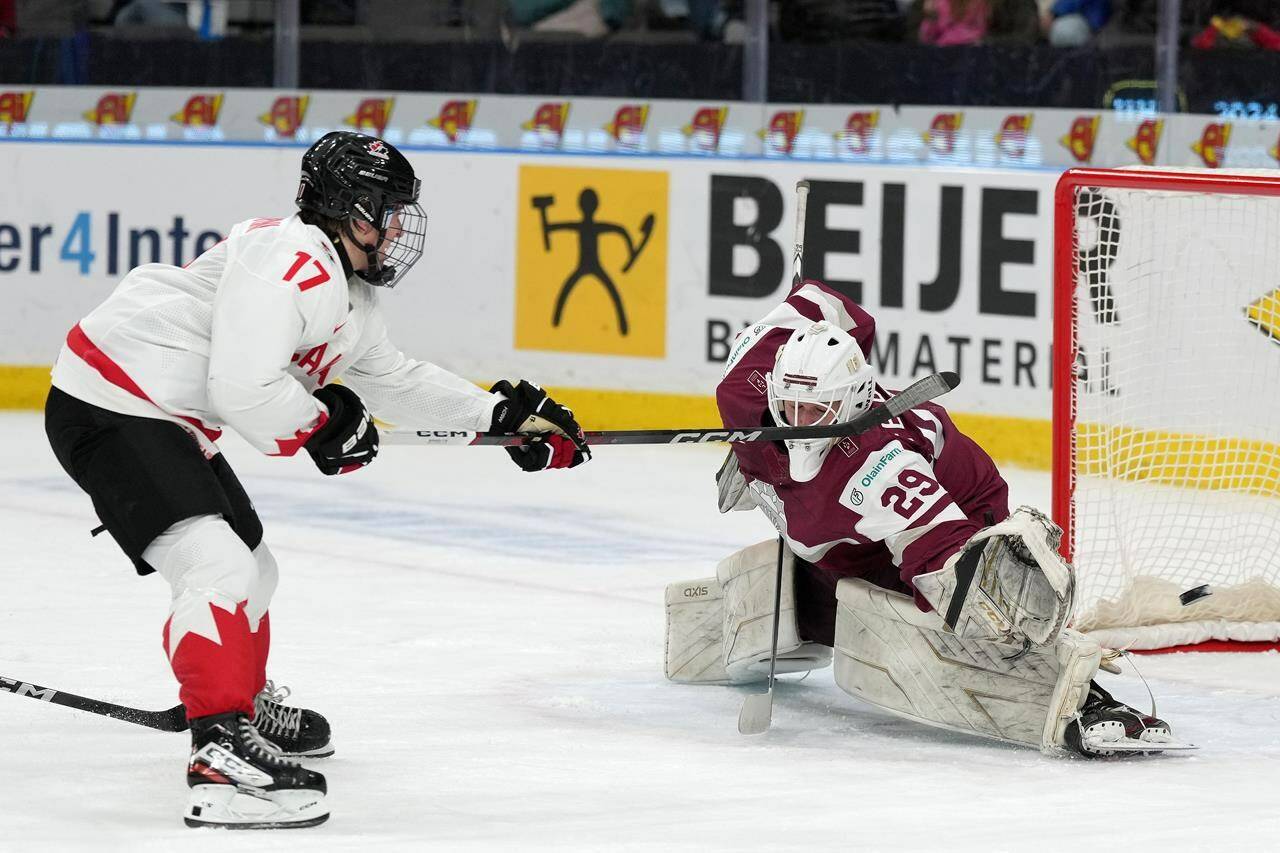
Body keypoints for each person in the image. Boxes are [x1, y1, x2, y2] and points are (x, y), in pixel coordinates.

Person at [43, 131, 591, 828]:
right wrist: (319, 424)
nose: (395, 229)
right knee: (214, 564)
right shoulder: (290, 258)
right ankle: (218, 752)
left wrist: (502, 417)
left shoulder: (346, 292)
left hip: (160, 411)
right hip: (111, 399)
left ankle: (240, 703)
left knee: (254, 569)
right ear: (345, 206)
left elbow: (394, 380)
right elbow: (241, 386)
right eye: (385, 211)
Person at [663, 278, 1188, 758]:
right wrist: (811, 322)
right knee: (815, 589)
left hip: (957, 511)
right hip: (838, 536)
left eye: (817, 410)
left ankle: (1086, 698)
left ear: (853, 402)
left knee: (965, 608)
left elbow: (945, 558)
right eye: (791, 406)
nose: (800, 423)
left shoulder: (879, 472)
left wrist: (987, 606)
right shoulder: (741, 390)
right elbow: (830, 305)